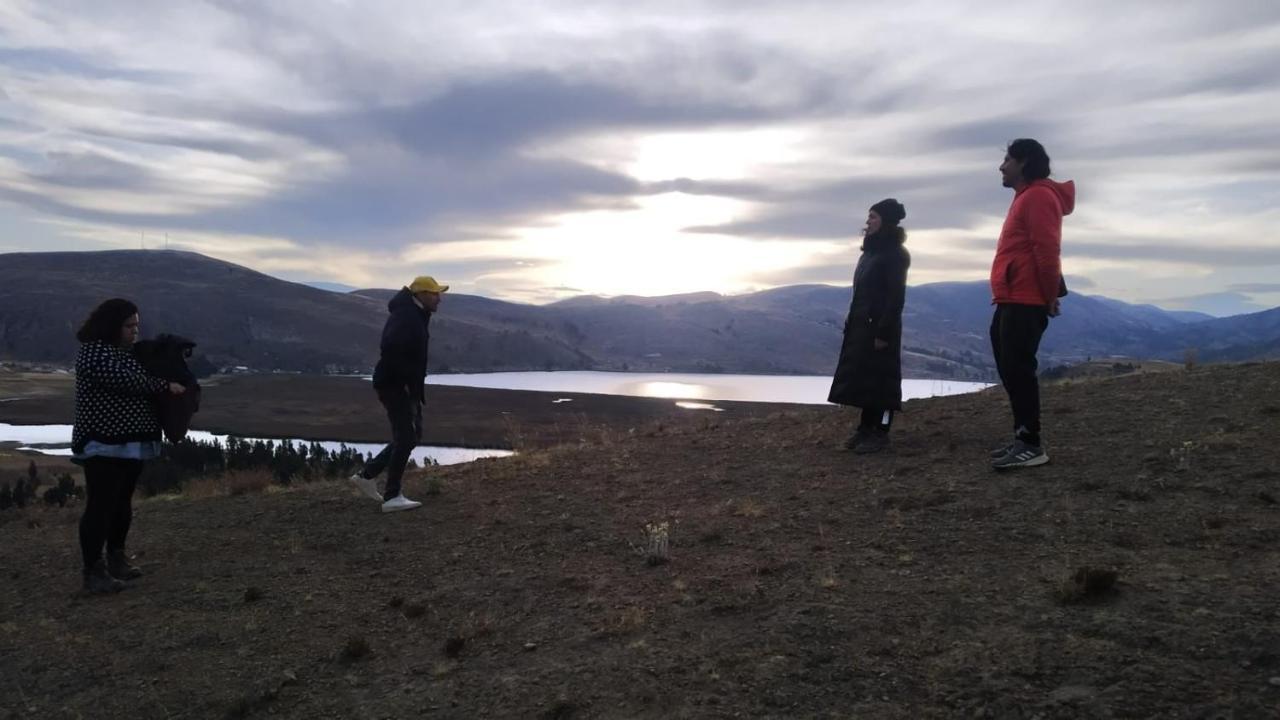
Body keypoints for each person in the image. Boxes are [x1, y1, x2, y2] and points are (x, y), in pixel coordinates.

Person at [72, 298, 186, 593]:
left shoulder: (128, 353)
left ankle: (116, 558)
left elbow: (143, 372)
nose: (135, 331)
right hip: (103, 442)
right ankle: (93, 572)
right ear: (112, 326)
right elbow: (125, 381)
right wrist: (163, 386)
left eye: (136, 325)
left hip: (132, 442)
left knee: (121, 503)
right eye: (128, 326)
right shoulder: (93, 354)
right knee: (100, 505)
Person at [988, 138, 1075, 469]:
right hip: (1013, 296)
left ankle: (1030, 444)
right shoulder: (1025, 197)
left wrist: (1049, 296)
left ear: (1023, 162)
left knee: (1019, 369)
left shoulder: (1038, 196)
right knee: (1009, 366)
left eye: (1007, 159)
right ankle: (1021, 438)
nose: (1001, 166)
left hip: (1025, 298)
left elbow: (1047, 250)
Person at [351, 276, 447, 512]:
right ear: (421, 295)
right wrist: (404, 382)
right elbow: (390, 348)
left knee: (410, 436)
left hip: (401, 386)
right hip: (395, 386)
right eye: (435, 294)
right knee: (406, 437)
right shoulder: (407, 316)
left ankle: (367, 475)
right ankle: (392, 496)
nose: (439, 299)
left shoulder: (415, 314)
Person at [828, 198, 911, 454]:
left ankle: (881, 432)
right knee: (866, 380)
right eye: (869, 216)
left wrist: (883, 332)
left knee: (884, 382)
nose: (868, 221)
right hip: (862, 326)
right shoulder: (870, 253)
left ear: (885, 220)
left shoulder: (896, 254)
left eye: (873, 216)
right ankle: (865, 429)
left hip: (881, 329)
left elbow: (895, 298)